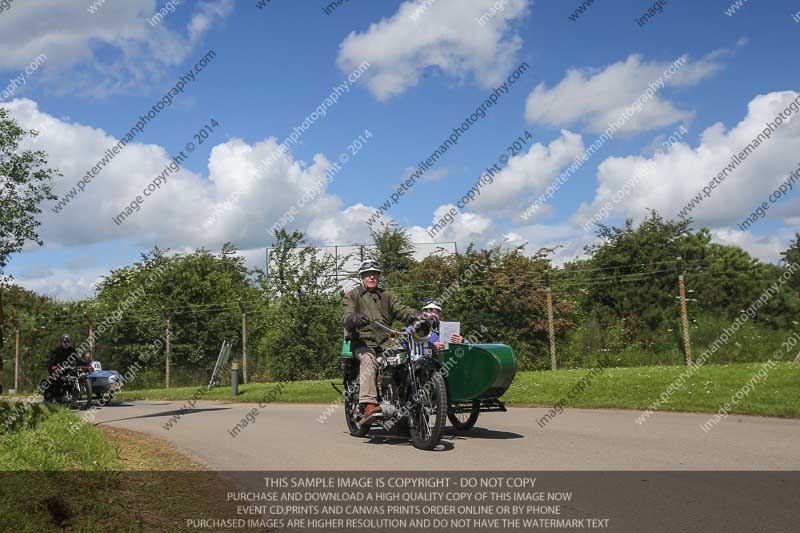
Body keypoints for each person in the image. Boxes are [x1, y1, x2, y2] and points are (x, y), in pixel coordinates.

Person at [342, 259, 421, 423]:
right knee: (369, 359)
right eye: (367, 275)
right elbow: (346, 316)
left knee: (406, 358)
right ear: (361, 277)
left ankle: (404, 399)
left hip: (386, 342)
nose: (371, 277)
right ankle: (369, 405)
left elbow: (402, 310)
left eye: (375, 274)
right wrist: (354, 318)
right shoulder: (352, 295)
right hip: (362, 343)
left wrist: (417, 316)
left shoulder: (387, 296)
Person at [45, 334, 80, 400]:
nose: (66, 343)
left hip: (69, 370)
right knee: (56, 380)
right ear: (61, 342)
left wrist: (86, 365)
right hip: (58, 370)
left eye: (68, 341)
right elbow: (51, 361)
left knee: (77, 376)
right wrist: (53, 366)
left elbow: (78, 360)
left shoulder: (72, 350)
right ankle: (53, 395)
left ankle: (75, 394)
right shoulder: (57, 351)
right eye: (64, 342)